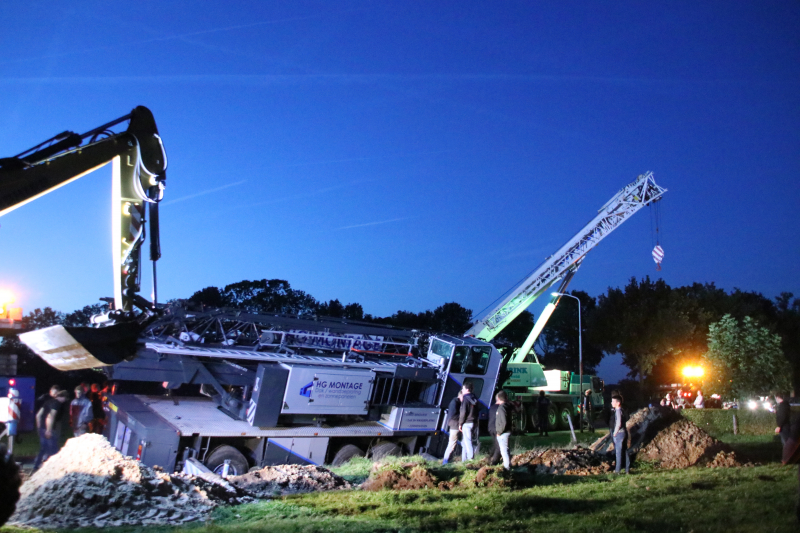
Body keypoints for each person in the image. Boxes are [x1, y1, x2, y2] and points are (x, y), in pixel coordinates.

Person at [33, 390, 68, 471]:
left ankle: (36, 466)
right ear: (63, 397)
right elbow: (50, 417)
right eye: (65, 399)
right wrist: (48, 430)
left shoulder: (48, 402)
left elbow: (38, 415)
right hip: (48, 429)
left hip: (41, 428)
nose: (64, 401)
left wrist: (39, 427)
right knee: (54, 449)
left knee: (43, 448)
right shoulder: (57, 404)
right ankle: (55, 468)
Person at [488, 391, 512, 470]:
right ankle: (508, 464)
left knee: (503, 451)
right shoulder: (507, 406)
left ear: (498, 398)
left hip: (502, 432)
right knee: (506, 449)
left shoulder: (501, 408)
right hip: (507, 431)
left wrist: (499, 432)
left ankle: (506, 467)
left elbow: (503, 422)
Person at [458, 382, 479, 461]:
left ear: (467, 389)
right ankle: (464, 460)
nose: (462, 390)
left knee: (467, 441)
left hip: (466, 423)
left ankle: (470, 458)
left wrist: (460, 423)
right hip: (473, 422)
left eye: (463, 389)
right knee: (465, 441)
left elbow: (463, 412)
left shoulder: (465, 399)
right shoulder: (475, 398)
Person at [441, 390, 463, 464]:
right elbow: (453, 415)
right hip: (455, 425)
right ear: (460, 395)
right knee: (451, 445)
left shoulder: (456, 402)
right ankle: (445, 462)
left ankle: (447, 461)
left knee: (452, 444)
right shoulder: (455, 402)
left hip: (455, 425)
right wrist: (463, 416)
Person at [611, 394, 630, 474]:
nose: (611, 403)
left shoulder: (618, 411)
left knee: (618, 453)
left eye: (613, 401)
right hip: (624, 432)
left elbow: (618, 423)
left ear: (618, 403)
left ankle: (617, 470)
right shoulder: (622, 410)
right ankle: (627, 469)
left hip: (619, 434)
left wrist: (615, 433)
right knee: (625, 451)